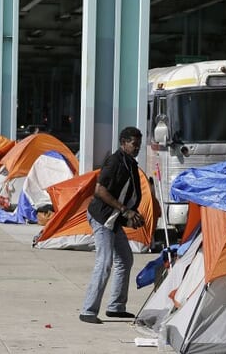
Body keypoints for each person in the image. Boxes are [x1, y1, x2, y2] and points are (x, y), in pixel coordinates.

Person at [79, 126, 145, 324]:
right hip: (102, 218)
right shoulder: (115, 161)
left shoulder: (130, 163)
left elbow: (129, 194)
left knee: (125, 259)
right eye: (134, 144)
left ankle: (116, 307)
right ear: (123, 143)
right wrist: (125, 210)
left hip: (114, 219)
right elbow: (100, 190)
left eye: (139, 144)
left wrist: (131, 215)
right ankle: (88, 310)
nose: (137, 147)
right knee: (105, 261)